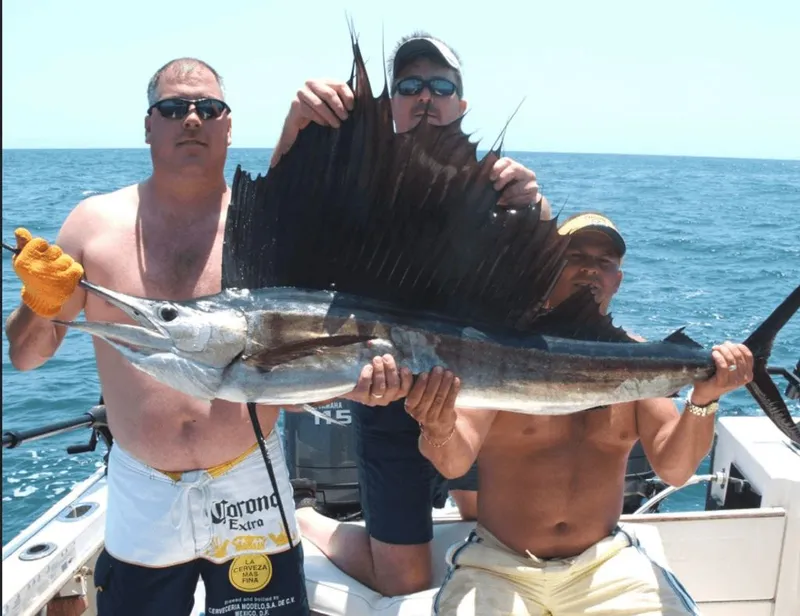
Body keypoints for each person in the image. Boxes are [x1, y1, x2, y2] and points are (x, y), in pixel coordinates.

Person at [5, 58, 311, 616]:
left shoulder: (268, 227)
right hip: (140, 490)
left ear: (228, 124)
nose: (191, 118)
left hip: (252, 484)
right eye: (173, 108)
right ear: (149, 126)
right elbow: (26, 357)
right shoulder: (92, 224)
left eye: (207, 107)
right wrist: (38, 303)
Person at [272, 31, 553, 597]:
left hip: (476, 402)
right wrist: (293, 127)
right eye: (410, 85)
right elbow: (280, 236)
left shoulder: (498, 190)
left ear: (461, 104)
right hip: (387, 404)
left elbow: (543, 304)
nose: (426, 95)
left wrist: (536, 208)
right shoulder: (358, 185)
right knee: (403, 582)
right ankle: (313, 522)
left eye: (441, 85)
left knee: (493, 533)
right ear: (394, 101)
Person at [404, 212, 755, 615]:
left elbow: (674, 470)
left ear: (617, 280)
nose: (590, 268)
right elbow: (453, 460)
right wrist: (436, 421)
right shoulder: (501, 352)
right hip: (499, 564)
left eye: (605, 261)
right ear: (548, 268)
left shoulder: (639, 358)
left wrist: (705, 399)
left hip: (603, 563)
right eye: (575, 255)